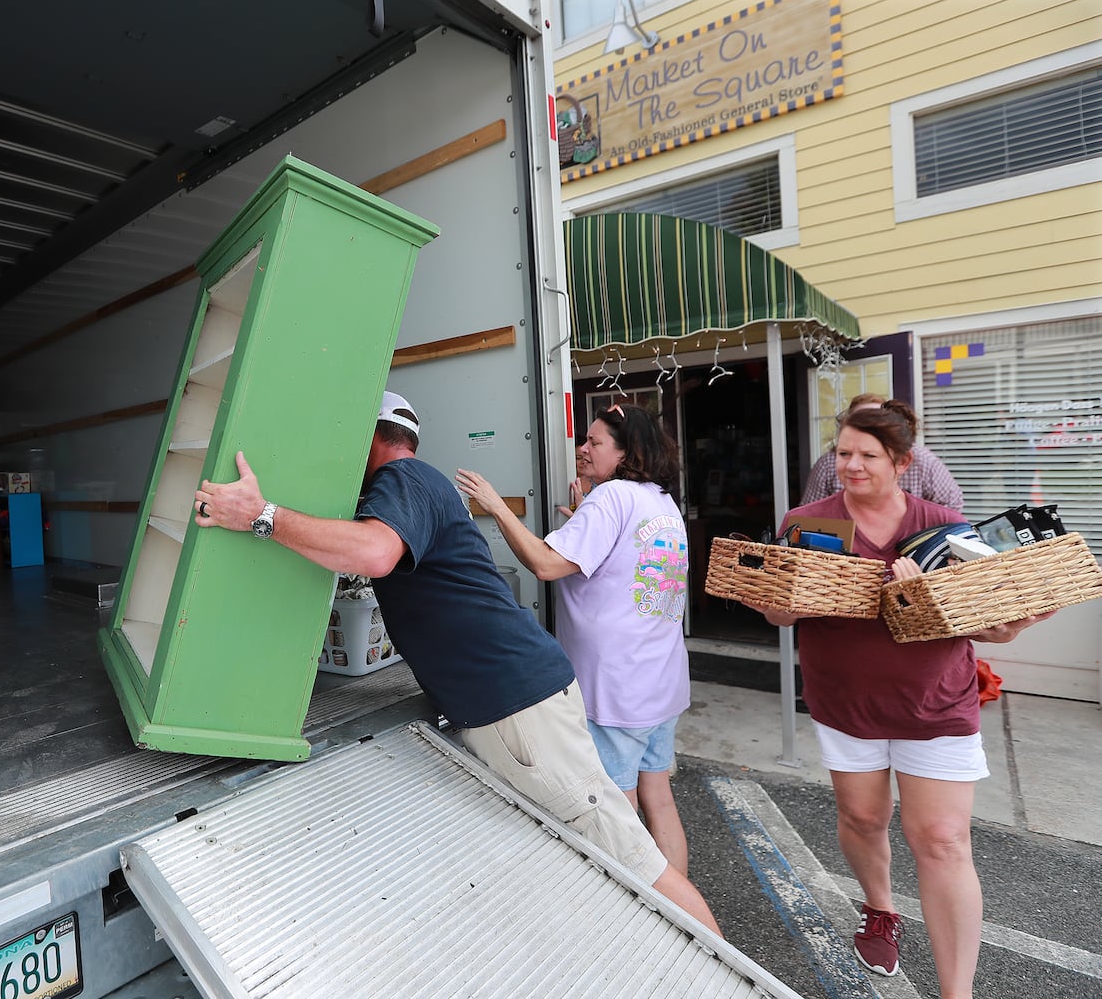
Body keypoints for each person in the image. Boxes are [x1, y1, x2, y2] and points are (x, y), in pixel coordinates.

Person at [194, 391, 722, 935]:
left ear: (370, 437)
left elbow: (374, 553)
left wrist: (261, 516)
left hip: (518, 703)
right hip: (528, 695)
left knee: (633, 863)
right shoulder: (416, 487)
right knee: (613, 843)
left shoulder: (404, 480)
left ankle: (729, 972)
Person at [742, 399, 1051, 998]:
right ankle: (880, 907)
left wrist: (982, 616)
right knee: (862, 817)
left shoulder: (946, 527)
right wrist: (793, 598)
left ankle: (955, 993)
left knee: (941, 839)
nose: (850, 466)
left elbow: (989, 625)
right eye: (843, 453)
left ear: (904, 462)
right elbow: (778, 612)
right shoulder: (810, 522)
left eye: (867, 456)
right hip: (847, 702)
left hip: (934, 703)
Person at [455, 404, 693, 875]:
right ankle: (683, 904)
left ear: (627, 453)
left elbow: (545, 564)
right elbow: (623, 568)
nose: (582, 450)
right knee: (659, 799)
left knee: (618, 814)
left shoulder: (613, 498)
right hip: (660, 683)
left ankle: (644, 916)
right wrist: (587, 517)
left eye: (595, 442)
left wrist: (496, 505)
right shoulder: (662, 503)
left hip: (616, 690)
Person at [801, 392, 963, 510]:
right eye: (845, 454)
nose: (854, 465)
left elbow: (952, 504)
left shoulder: (923, 461)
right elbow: (807, 516)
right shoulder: (829, 464)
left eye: (870, 456)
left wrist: (925, 543)